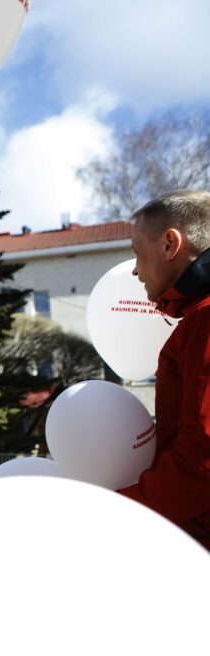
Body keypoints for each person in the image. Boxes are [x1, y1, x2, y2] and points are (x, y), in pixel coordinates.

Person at [118, 189, 210, 550]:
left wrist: (113, 509)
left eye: (138, 252)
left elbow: (202, 460)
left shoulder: (205, 320)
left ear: (170, 244)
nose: (136, 269)